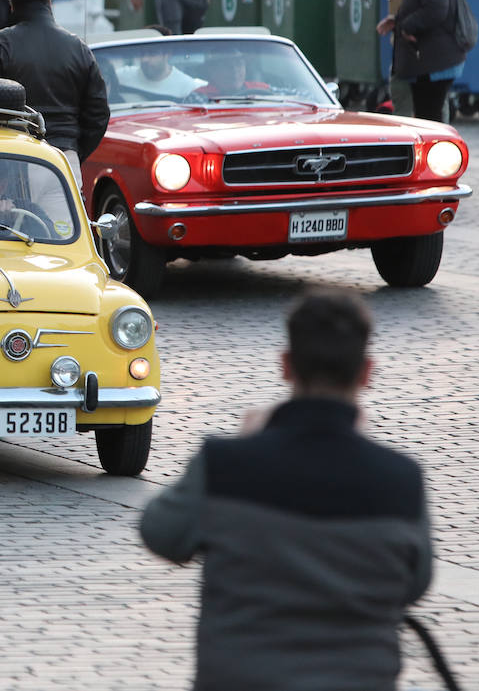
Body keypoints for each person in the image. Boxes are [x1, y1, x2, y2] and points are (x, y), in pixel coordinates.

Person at [140, 290, 432, 691]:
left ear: (286, 365)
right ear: (366, 372)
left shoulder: (227, 464)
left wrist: (248, 443)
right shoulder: (401, 479)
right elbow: (416, 582)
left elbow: (159, 532)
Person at [0, 0, 109, 181]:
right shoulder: (79, 48)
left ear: (12, 4)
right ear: (49, 1)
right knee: (64, 217)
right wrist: (74, 149)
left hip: (13, 159)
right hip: (64, 160)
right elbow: (99, 113)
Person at [393, 0, 466, 123]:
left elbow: (437, 8)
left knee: (429, 118)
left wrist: (408, 26)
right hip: (434, 60)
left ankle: (436, 153)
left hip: (433, 62)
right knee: (429, 114)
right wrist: (396, 21)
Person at [118, 44, 205, 99]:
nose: (145, 59)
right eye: (142, 53)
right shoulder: (121, 76)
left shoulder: (187, 87)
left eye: (152, 54)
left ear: (167, 54)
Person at [192, 52, 269, 98]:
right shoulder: (199, 96)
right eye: (226, 65)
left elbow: (280, 96)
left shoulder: (261, 89)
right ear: (213, 71)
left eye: (239, 64)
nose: (235, 70)